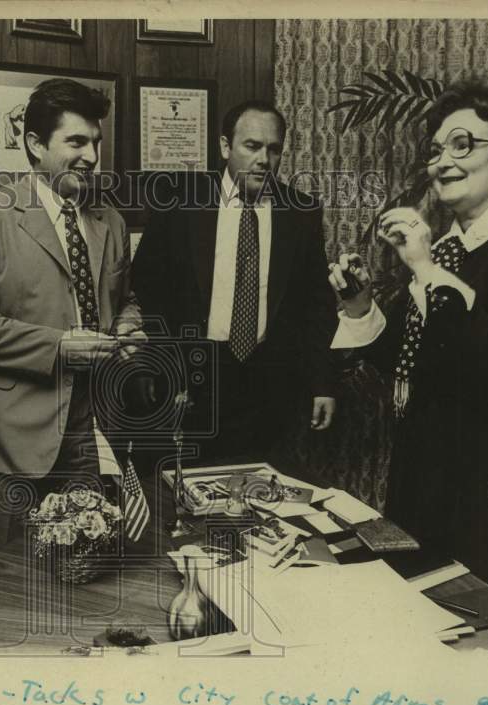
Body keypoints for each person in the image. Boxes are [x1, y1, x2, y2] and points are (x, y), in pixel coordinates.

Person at [328, 79, 488, 626]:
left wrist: (425, 269)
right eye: (436, 149)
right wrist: (359, 304)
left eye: (463, 144)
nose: (442, 161)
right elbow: (408, 361)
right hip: (433, 487)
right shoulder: (448, 249)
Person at [0, 79, 144, 558]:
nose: (91, 156)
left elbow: (126, 298)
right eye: (76, 142)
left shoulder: (110, 220)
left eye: (95, 142)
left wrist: (128, 325)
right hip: (11, 439)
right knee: (3, 574)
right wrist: (59, 347)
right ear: (35, 144)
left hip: (93, 428)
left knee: (85, 570)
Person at [132, 100, 337, 466]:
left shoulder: (301, 212)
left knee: (262, 487)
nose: (264, 160)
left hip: (270, 382)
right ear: (226, 146)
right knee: (190, 484)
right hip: (194, 376)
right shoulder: (180, 203)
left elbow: (316, 305)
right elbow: (148, 288)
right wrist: (159, 363)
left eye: (274, 149)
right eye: (252, 146)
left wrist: (322, 383)